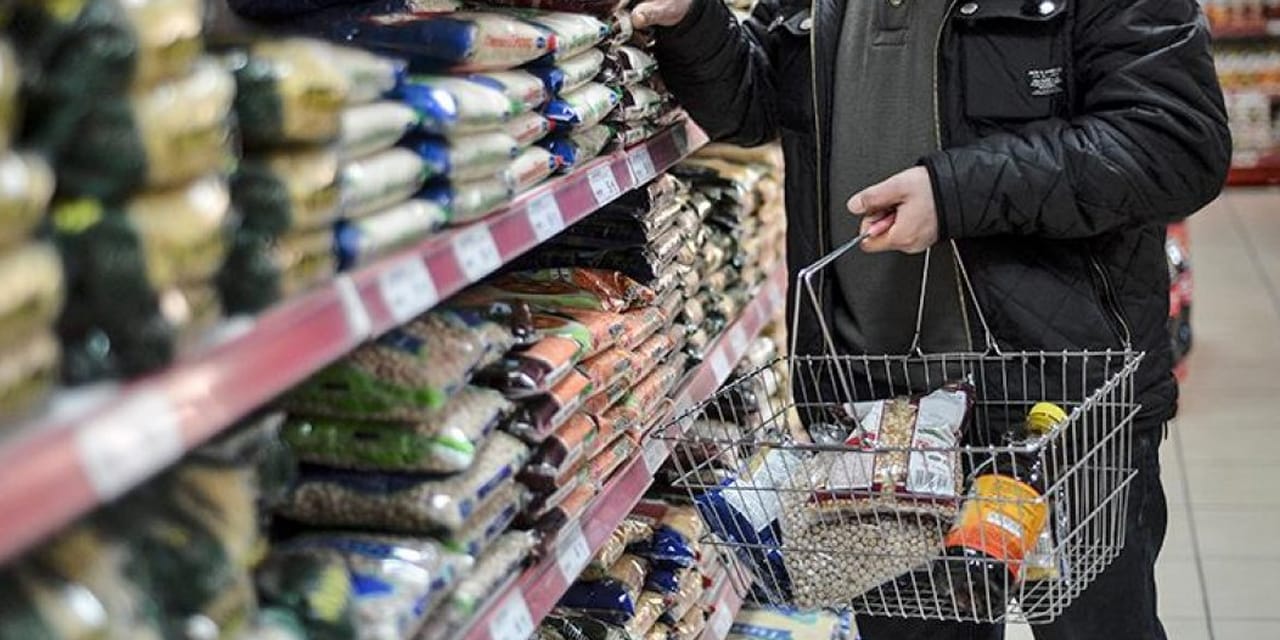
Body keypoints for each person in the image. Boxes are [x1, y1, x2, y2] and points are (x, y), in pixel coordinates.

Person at [630, 0, 1231, 638]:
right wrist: (693, 20)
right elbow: (754, 104)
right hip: (882, 417)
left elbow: (1174, 141)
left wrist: (953, 193)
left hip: (1059, 409)